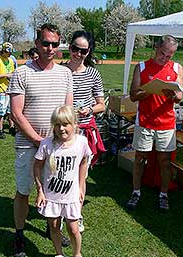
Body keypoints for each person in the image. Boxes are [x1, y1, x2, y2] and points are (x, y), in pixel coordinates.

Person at [7, 23, 73, 257]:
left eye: (55, 44)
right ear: (37, 43)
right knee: (24, 191)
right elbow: (16, 113)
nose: (50, 48)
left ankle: (51, 227)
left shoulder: (65, 74)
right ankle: (19, 234)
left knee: (55, 193)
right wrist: (37, 140)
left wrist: (64, 142)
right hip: (28, 146)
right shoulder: (22, 73)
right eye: (45, 43)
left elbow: (68, 111)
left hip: (57, 147)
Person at [126, 35, 183, 212]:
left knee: (164, 161)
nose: (164, 58)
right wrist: (148, 91)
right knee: (140, 158)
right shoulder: (141, 67)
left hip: (166, 123)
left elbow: (179, 96)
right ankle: (136, 192)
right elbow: (133, 95)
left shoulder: (177, 67)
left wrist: (174, 96)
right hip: (145, 121)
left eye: (169, 55)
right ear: (156, 48)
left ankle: (163, 195)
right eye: (162, 53)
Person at [34, 105, 91, 257]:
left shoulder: (81, 142)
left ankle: (77, 256)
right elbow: (37, 167)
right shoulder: (46, 144)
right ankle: (59, 255)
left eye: (65, 124)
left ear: (74, 124)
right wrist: (40, 191)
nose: (61, 129)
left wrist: (81, 186)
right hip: (51, 196)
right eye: (57, 125)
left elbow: (83, 162)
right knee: (53, 225)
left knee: (73, 228)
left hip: (71, 195)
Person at [65, 30, 106, 232]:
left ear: (88, 51)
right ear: (69, 47)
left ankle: (76, 215)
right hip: (63, 133)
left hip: (84, 132)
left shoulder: (92, 73)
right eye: (75, 49)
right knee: (63, 173)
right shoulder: (61, 71)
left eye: (83, 50)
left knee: (80, 175)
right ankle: (60, 212)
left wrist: (89, 109)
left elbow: (102, 105)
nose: (78, 54)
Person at [0, 42, 15, 139]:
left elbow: (13, 72)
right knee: (1, 112)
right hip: (2, 90)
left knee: (10, 111)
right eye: (8, 52)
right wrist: (6, 75)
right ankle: (0, 130)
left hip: (11, 89)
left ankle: (11, 127)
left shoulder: (10, 60)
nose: (10, 54)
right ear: (4, 51)